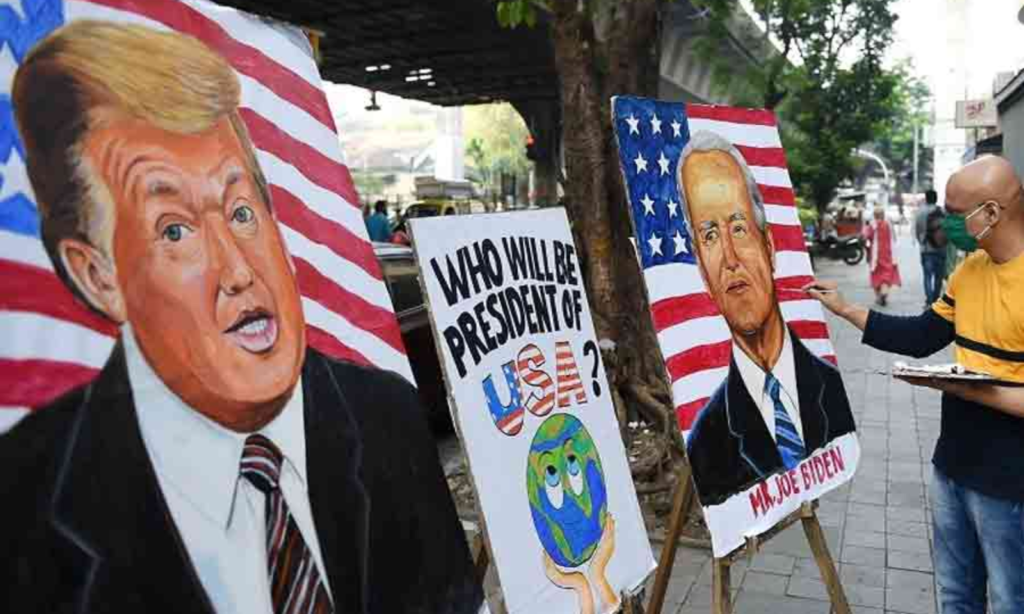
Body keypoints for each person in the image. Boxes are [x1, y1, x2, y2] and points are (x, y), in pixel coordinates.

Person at [2, 21, 481, 614]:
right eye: (174, 230)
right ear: (96, 274)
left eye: (242, 212)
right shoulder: (27, 507)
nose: (237, 270)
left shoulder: (386, 415)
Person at [806, 155, 1024, 614]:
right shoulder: (969, 271)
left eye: (954, 212)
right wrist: (846, 309)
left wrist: (968, 390)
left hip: (1010, 483)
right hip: (952, 465)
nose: (945, 223)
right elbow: (922, 336)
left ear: (991, 212)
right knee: (956, 595)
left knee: (1010, 600)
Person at [676, 131, 856, 506]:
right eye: (710, 236)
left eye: (739, 228)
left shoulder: (831, 392)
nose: (729, 258)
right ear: (701, 270)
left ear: (769, 246)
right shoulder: (706, 443)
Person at [915, 189, 947, 306]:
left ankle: (929, 301)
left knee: (927, 276)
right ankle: (936, 299)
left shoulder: (920, 212)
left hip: (926, 249)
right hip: (941, 248)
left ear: (926, 198)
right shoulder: (942, 211)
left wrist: (921, 242)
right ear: (936, 198)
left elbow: (918, 230)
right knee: (939, 276)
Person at [864, 205, 901, 306]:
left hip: (875, 256)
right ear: (883, 215)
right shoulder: (888, 224)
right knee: (886, 276)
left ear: (874, 215)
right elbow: (894, 238)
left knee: (876, 275)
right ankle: (884, 292)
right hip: (888, 254)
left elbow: (866, 236)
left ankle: (878, 297)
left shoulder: (872, 225)